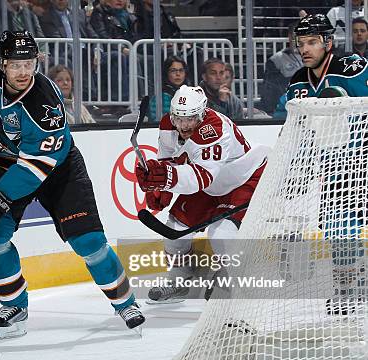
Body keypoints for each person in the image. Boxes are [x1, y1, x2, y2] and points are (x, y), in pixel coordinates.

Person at [0, 31, 145, 338]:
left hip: (57, 166)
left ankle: (125, 303)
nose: (23, 72)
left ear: (37, 62)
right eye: (15, 64)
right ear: (1, 63)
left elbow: (37, 167)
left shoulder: (45, 105)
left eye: (29, 64)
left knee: (88, 241)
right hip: (7, 161)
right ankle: (15, 306)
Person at [134, 85, 267, 303]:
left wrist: (167, 178)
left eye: (190, 119)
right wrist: (160, 185)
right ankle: (181, 278)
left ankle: (233, 280)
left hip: (242, 179)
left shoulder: (213, 128)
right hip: (210, 184)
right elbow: (168, 157)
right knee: (174, 230)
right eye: (179, 119)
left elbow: (202, 176)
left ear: (202, 113)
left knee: (221, 234)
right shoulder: (169, 123)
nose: (183, 126)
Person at [286, 14, 368, 315]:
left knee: (345, 224)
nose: (305, 49)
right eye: (301, 43)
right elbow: (298, 128)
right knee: (338, 227)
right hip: (333, 167)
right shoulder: (297, 82)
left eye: (312, 42)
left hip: (363, 158)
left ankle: (351, 284)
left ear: (328, 42)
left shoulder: (352, 68)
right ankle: (347, 286)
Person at [260, 22, 303, 114]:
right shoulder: (276, 60)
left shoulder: (315, 59)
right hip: (286, 109)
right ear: (289, 36)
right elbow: (270, 93)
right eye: (295, 36)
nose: (298, 40)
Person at [147, 56, 188, 123]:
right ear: (166, 73)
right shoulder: (160, 97)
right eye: (173, 70)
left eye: (181, 70)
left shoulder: (189, 93)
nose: (178, 74)